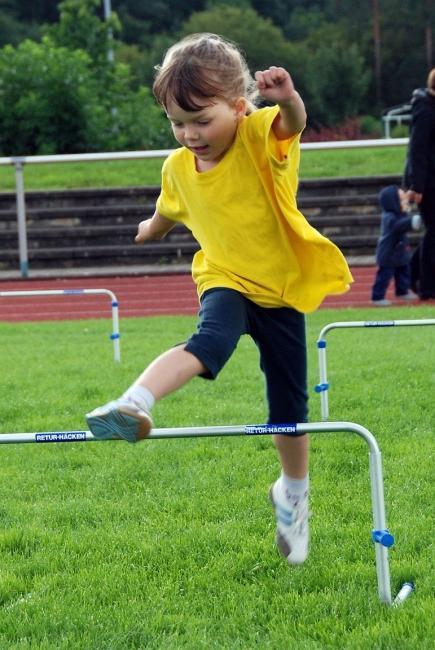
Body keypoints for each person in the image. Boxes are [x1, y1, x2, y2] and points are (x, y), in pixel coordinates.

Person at [86, 33, 352, 566]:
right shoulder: (178, 166)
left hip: (278, 288)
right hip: (223, 276)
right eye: (177, 123)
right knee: (209, 341)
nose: (189, 134)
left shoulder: (259, 135)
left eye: (201, 121)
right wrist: (148, 230)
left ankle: (293, 494)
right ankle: (133, 404)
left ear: (238, 106)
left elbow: (292, 123)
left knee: (288, 405)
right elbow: (168, 209)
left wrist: (288, 98)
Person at [404, 68, 435, 300]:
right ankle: (425, 286)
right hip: (428, 183)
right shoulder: (425, 109)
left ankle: (413, 274)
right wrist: (417, 186)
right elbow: (418, 149)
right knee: (433, 233)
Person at [371, 185, 421, 306]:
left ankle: (402, 290)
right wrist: (411, 222)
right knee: (385, 275)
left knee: (404, 270)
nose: (405, 202)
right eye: (402, 199)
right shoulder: (389, 217)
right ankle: (377, 296)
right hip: (388, 253)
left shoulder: (400, 214)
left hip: (399, 251)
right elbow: (397, 226)